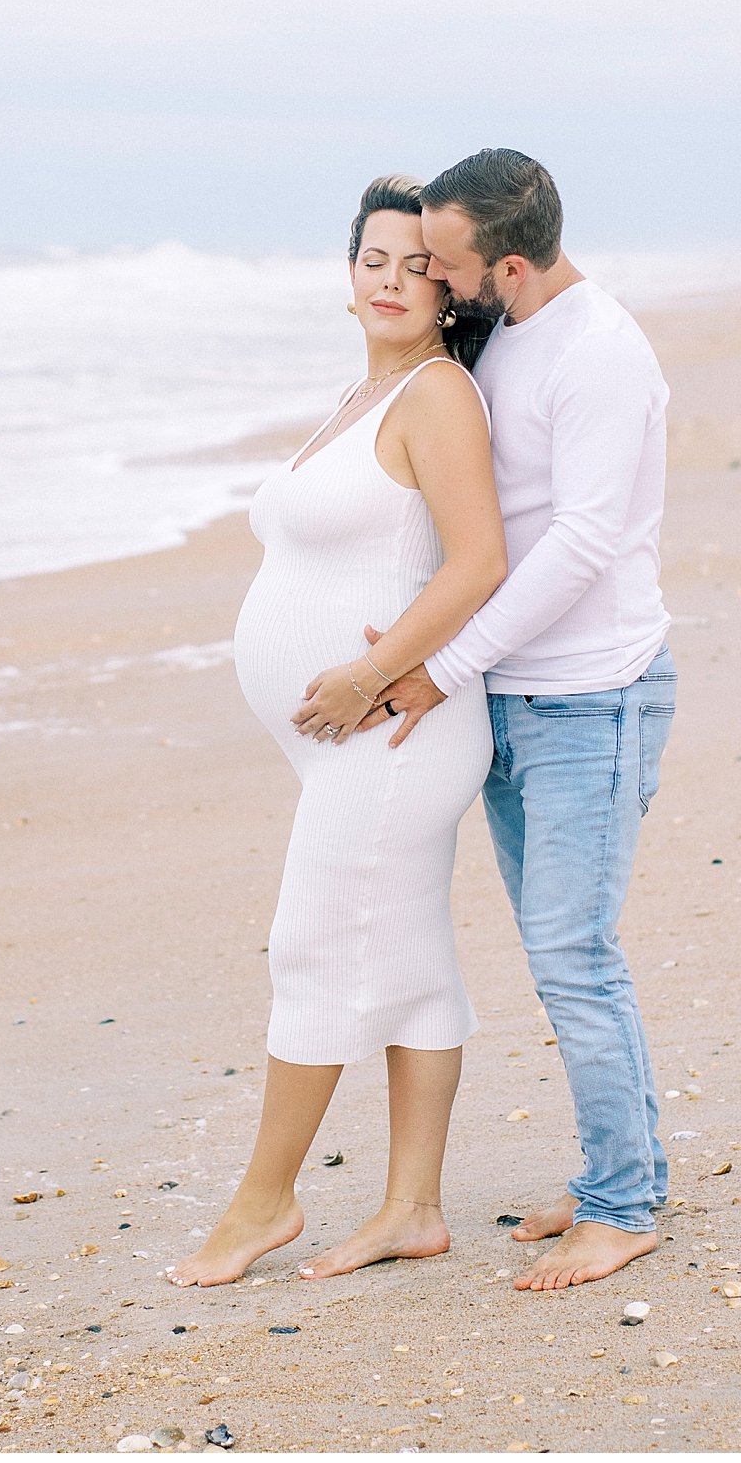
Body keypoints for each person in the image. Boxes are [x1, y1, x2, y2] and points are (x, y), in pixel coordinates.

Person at [167, 176, 507, 1288]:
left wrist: (368, 671)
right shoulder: (362, 396)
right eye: (374, 260)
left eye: (418, 266)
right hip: (348, 744)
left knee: (311, 946)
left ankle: (263, 1203)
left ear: (451, 286)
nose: (393, 282)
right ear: (347, 272)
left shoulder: (439, 395)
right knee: (406, 955)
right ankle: (412, 1208)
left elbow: (477, 563)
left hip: (396, 736)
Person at [371, 148, 678, 1292]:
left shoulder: (599, 354)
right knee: (568, 954)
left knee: (572, 957)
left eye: (447, 264)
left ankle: (623, 1204)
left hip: (591, 695)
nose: (436, 283)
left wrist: (445, 666)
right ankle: (626, 1165)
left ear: (509, 260)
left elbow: (580, 544)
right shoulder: (504, 333)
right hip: (515, 689)